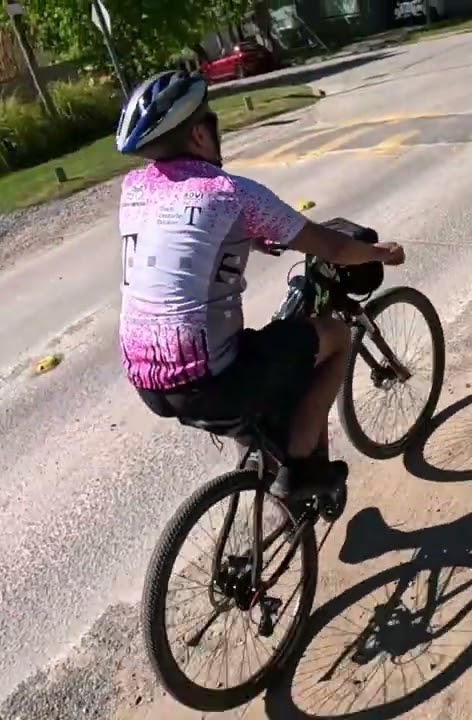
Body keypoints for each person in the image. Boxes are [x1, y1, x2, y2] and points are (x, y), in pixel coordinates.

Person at [114, 70, 405, 506]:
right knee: (337, 338)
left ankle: (266, 481)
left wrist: (249, 236)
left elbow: (174, 237)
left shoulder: (135, 189)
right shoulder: (233, 193)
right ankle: (303, 467)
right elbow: (331, 247)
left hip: (146, 380)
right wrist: (382, 254)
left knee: (260, 381)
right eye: (211, 121)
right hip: (211, 380)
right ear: (198, 134)